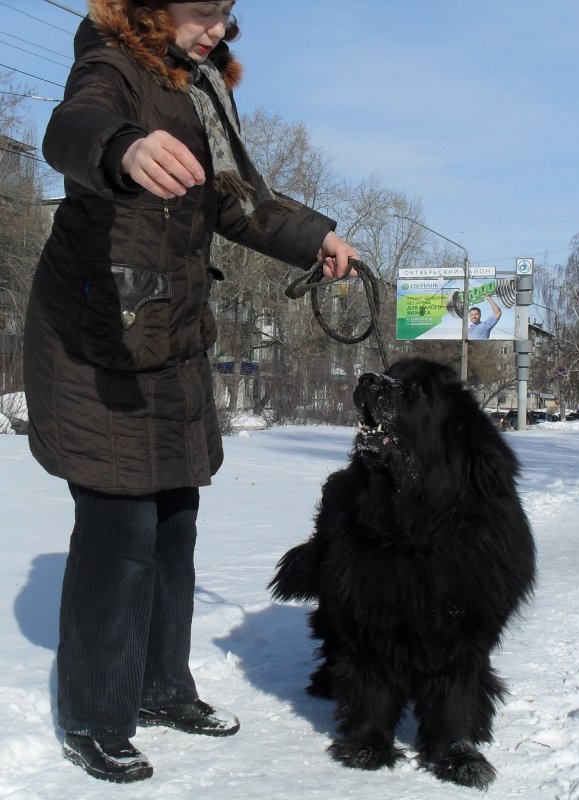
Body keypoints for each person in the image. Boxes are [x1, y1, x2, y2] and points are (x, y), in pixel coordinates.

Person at [22, 0, 357, 784]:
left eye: (227, 16)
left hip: (166, 333)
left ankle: (161, 687)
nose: (219, 31)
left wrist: (313, 237)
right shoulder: (111, 62)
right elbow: (71, 129)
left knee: (173, 521)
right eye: (204, 12)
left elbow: (228, 200)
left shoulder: (193, 84)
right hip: (99, 335)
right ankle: (94, 714)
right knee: (119, 529)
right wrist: (125, 148)